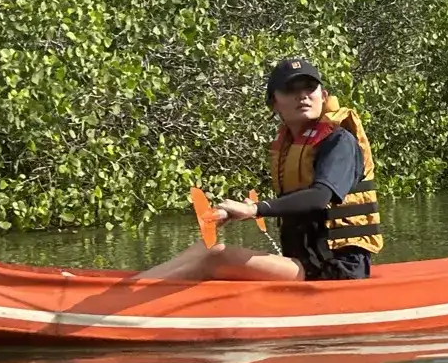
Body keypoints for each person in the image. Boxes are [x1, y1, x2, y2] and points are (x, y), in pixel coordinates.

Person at [139, 57, 383, 283]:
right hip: (305, 263)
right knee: (204, 248)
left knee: (217, 257)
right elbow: (296, 203)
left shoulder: (339, 141)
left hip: (338, 267)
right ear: (274, 103)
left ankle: (133, 299)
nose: (302, 96)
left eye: (310, 88)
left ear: (324, 95)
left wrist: (254, 209)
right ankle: (134, 287)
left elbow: (320, 197)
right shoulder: (290, 147)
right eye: (291, 89)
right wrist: (238, 211)